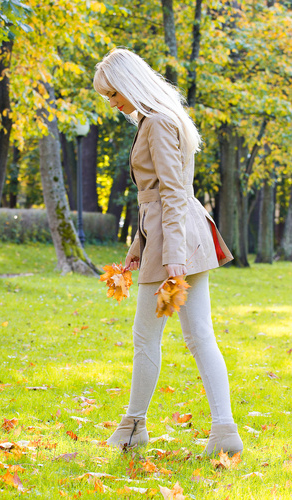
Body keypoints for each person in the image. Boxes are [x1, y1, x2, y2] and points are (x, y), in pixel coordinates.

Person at [93, 48, 243, 457]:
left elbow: (172, 195)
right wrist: (138, 245)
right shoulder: (159, 119)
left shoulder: (156, 123)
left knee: (146, 337)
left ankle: (133, 428)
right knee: (199, 337)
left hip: (174, 244)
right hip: (178, 238)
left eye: (113, 94)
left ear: (129, 84)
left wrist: (170, 255)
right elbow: (157, 197)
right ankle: (224, 431)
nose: (113, 103)